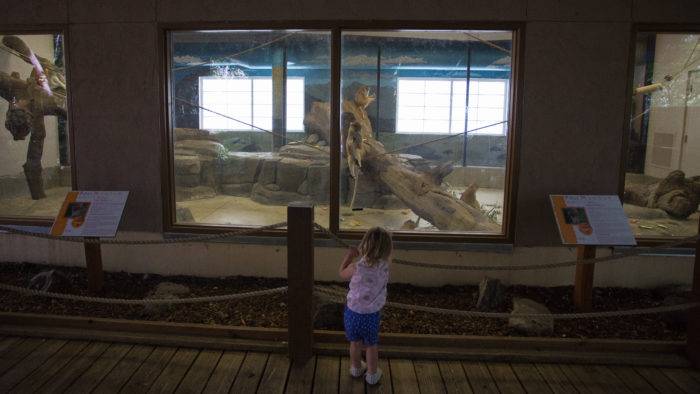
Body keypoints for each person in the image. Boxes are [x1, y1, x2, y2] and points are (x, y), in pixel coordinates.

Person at [338, 226, 392, 385]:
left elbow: (341, 273)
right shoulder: (385, 266)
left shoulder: (357, 266)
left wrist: (349, 256)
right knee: (371, 345)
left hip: (352, 313)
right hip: (371, 315)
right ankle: (372, 374)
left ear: (364, 244)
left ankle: (355, 368)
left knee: (354, 343)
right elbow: (386, 254)